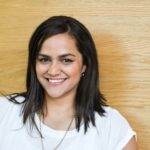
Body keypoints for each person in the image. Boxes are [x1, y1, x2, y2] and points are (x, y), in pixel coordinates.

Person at [0, 15, 137, 150]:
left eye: (66, 60)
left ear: (85, 65)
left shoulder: (112, 127)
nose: (53, 71)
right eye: (44, 59)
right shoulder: (5, 111)